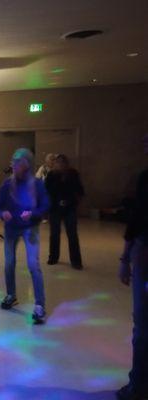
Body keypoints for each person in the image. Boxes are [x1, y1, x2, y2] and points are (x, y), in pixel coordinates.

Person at [0, 148, 49, 324]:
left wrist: (33, 214)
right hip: (11, 229)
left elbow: (46, 205)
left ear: (26, 165)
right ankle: (11, 294)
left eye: (16, 163)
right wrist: (3, 214)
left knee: (33, 265)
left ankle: (40, 305)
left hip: (30, 228)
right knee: (9, 263)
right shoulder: (7, 185)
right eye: (13, 162)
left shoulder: (37, 184)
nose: (13, 166)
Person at [116, 133, 148, 400]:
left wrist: (126, 258)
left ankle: (138, 387)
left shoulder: (145, 179)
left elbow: (138, 219)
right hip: (143, 249)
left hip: (145, 251)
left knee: (144, 325)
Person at [45, 154, 85, 269]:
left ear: (67, 164)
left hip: (70, 207)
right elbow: (47, 191)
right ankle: (53, 257)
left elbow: (79, 190)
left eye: (63, 162)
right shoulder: (51, 175)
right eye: (58, 162)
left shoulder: (73, 174)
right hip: (54, 208)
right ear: (55, 164)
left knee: (72, 234)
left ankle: (76, 261)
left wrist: (77, 203)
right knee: (54, 234)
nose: (61, 164)